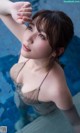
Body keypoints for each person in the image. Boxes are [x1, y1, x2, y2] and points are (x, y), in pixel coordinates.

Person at [0, 0, 80, 133]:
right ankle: (24, 118)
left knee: (41, 114)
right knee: (21, 107)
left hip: (42, 107)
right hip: (20, 94)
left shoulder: (55, 89)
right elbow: (2, 13)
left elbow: (76, 123)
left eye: (42, 36)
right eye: (30, 27)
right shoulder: (28, 44)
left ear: (57, 51)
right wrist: (11, 7)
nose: (29, 38)